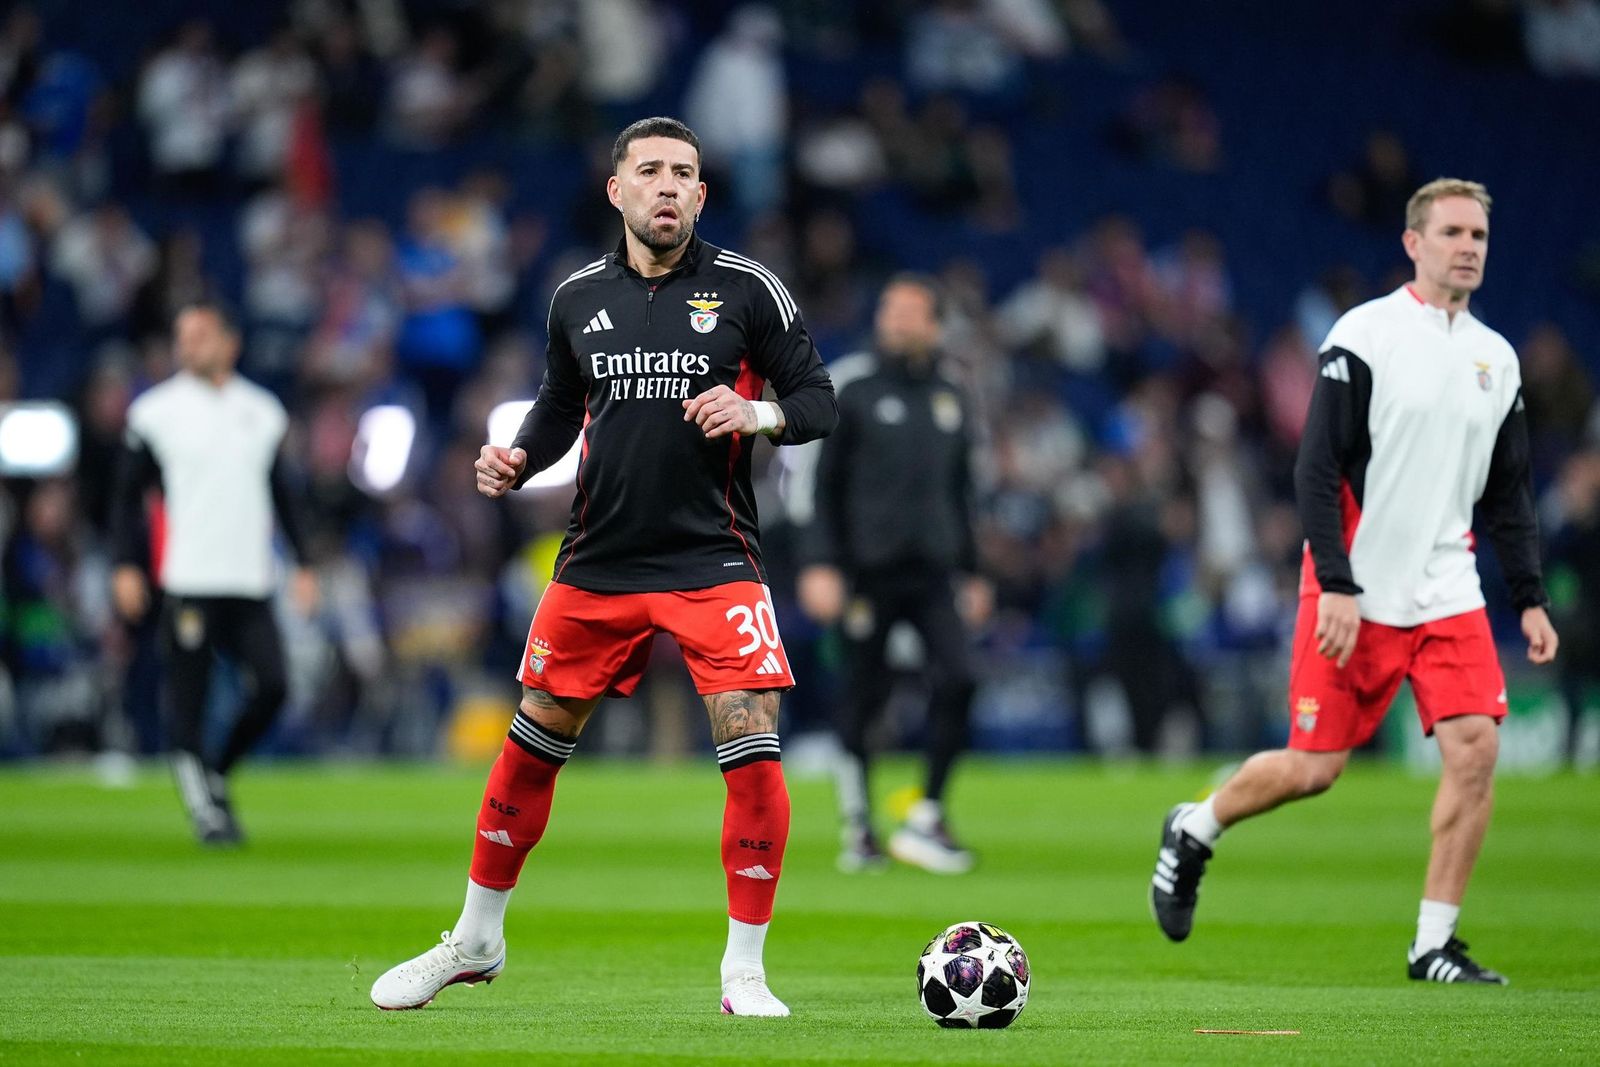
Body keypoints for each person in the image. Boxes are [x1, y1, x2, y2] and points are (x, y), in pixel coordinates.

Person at [369, 117, 836, 1016]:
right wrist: (517, 456)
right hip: (599, 559)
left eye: (686, 175)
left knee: (750, 731)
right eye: (651, 171)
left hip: (715, 555)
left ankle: (744, 970)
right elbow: (557, 403)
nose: (669, 186)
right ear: (616, 189)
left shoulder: (749, 290)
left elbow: (817, 399)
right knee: (534, 736)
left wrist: (760, 417)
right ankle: (474, 939)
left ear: (702, 196)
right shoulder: (575, 297)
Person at [1149, 179, 1558, 984]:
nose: (1468, 246)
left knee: (1476, 750)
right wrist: (1334, 580)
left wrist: (1532, 594)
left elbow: (1508, 491)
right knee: (1314, 767)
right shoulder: (1365, 334)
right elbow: (1316, 465)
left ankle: (1433, 943)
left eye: (1478, 233)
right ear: (1413, 242)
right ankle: (1196, 826)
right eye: (1451, 232)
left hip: (1448, 588)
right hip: (1356, 586)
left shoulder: (1497, 358)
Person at [794, 275, 990, 874]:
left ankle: (928, 812)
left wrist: (974, 571)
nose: (898, 320)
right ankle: (859, 826)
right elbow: (815, 482)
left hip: (932, 573)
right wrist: (818, 562)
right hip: (864, 574)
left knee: (960, 678)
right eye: (890, 308)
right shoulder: (849, 386)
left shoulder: (953, 394)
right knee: (863, 694)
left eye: (911, 311)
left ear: (935, 324)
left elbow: (964, 492)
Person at [111, 300, 317, 844]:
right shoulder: (155, 412)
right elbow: (127, 499)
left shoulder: (263, 411)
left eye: (200, 335)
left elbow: (282, 495)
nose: (188, 346)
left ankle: (216, 772)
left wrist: (305, 562)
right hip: (191, 578)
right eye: (183, 336)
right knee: (189, 700)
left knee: (273, 686)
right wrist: (125, 564)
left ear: (230, 342)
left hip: (249, 578)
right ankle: (206, 810)